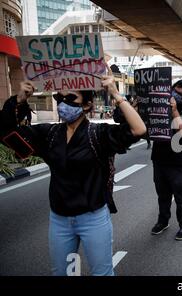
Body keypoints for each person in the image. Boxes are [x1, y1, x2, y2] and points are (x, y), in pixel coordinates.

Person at [0, 77, 146, 276]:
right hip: (59, 220)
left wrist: (115, 93)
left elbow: (138, 129)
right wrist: (18, 99)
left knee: (101, 273)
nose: (63, 103)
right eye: (59, 98)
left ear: (87, 105)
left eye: (70, 98)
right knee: (62, 273)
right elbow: (7, 134)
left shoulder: (99, 134)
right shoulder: (49, 133)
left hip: (93, 219)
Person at [151, 79, 182, 241]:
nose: (174, 95)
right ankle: (163, 221)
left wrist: (175, 112)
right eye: (173, 91)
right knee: (162, 194)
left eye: (179, 93)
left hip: (179, 161)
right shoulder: (160, 108)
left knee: (181, 195)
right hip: (159, 158)